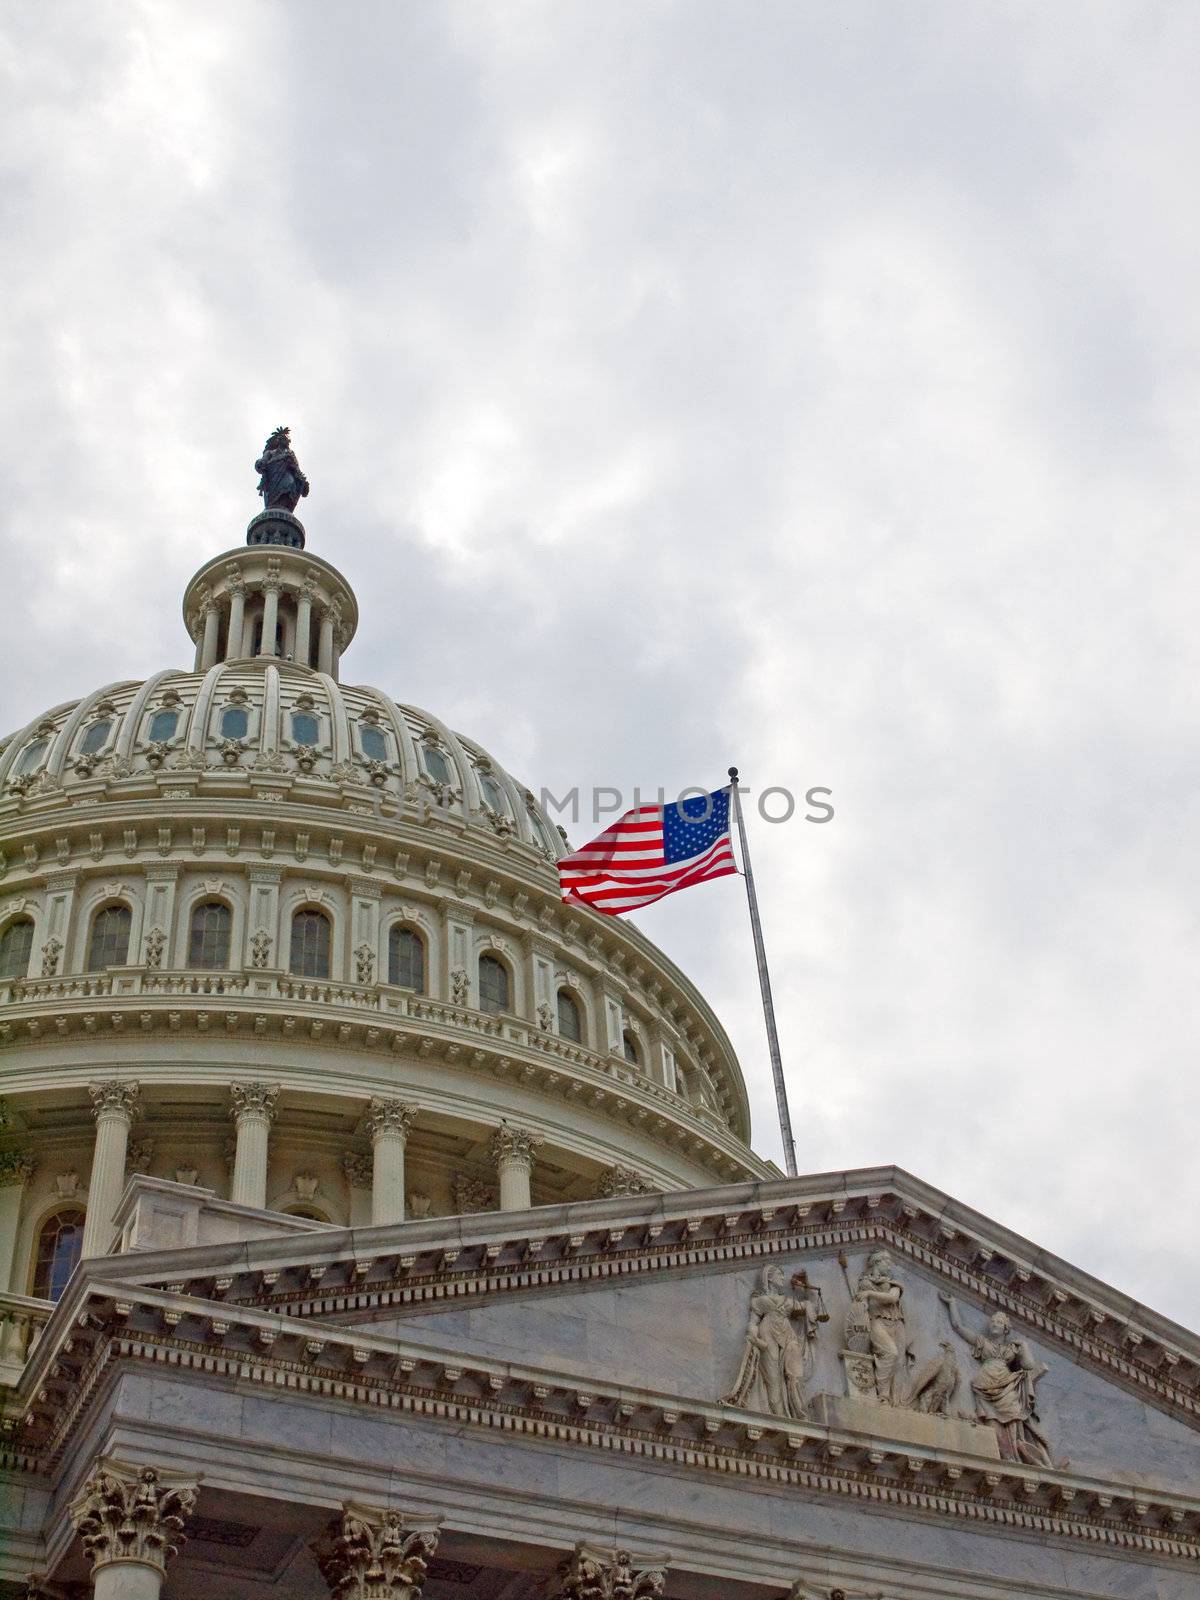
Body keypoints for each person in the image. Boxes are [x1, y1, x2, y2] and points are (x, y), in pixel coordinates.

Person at [939, 1293, 1060, 1467]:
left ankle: (1016, 1453)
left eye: (999, 1323)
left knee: (1013, 1421)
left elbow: (1028, 1365)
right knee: (992, 1424)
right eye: (993, 1322)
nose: (994, 1324)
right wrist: (952, 1304)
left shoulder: (1012, 1347)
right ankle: (1007, 1456)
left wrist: (1024, 1346)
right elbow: (958, 1327)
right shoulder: (981, 1342)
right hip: (984, 1386)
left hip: (1007, 1386)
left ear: (1005, 1329)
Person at [725, 1264, 821, 1420]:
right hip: (767, 1332)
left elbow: (813, 1308)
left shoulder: (789, 1301)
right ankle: (780, 1417)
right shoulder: (759, 1300)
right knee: (773, 1379)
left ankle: (800, 1413)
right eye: (780, 1274)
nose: (783, 1277)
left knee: (796, 1373)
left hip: (787, 1333)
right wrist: (753, 1334)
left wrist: (807, 1288)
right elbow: (753, 1321)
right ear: (769, 1277)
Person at [850, 1248, 911, 1404]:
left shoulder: (894, 1283)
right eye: (887, 1261)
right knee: (890, 1352)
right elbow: (860, 1306)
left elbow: (892, 1298)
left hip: (896, 1323)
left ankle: (896, 1400)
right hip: (877, 1321)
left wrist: (870, 1294)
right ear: (877, 1262)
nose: (890, 1265)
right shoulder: (865, 1282)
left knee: (899, 1362)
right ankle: (882, 1396)